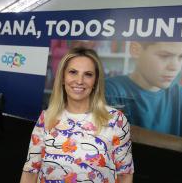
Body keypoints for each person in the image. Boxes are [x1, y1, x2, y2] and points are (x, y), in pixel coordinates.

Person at [20, 47, 134, 183]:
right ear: (62, 78)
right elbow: (30, 172)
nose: (79, 81)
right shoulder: (47, 118)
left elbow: (125, 175)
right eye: (73, 72)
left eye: (88, 74)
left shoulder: (116, 120)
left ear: (96, 81)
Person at [105, 41, 182, 154]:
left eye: (181, 56)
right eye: (164, 56)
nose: (175, 67)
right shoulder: (108, 90)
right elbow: (109, 132)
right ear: (136, 50)